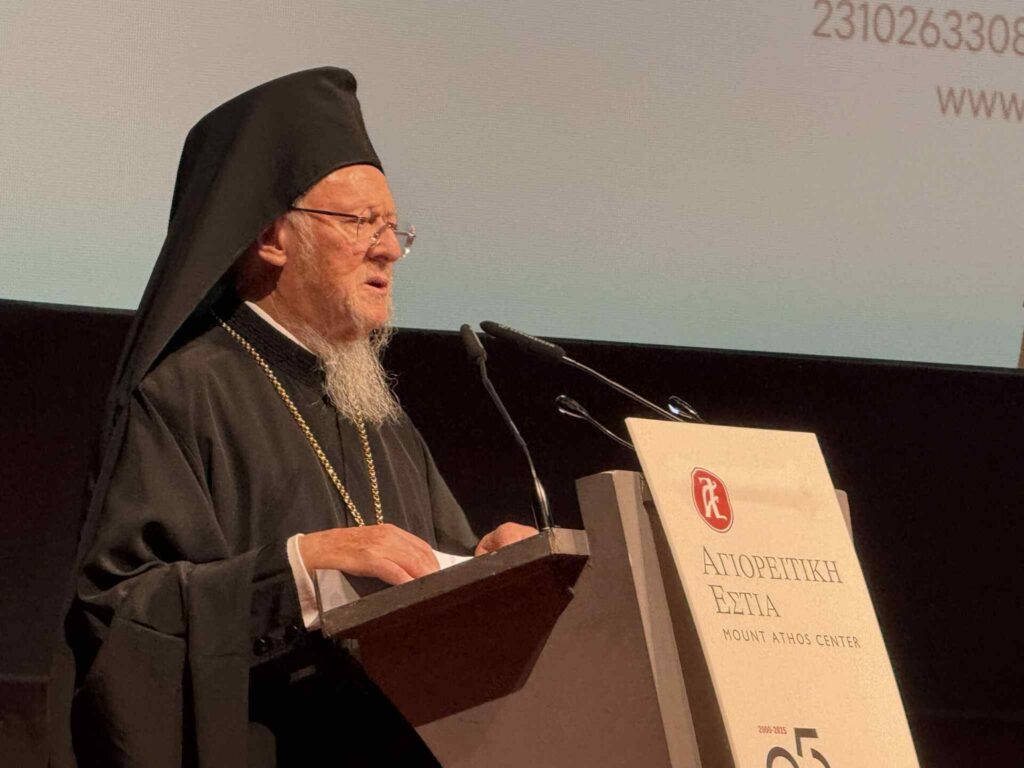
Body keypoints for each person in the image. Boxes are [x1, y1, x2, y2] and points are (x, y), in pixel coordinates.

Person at [65, 67, 535, 767]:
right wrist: (299, 572)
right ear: (271, 237)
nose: (388, 249)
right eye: (361, 223)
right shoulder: (183, 393)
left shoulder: (378, 413)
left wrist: (492, 573)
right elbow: (121, 613)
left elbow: (434, 587)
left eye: (393, 228)